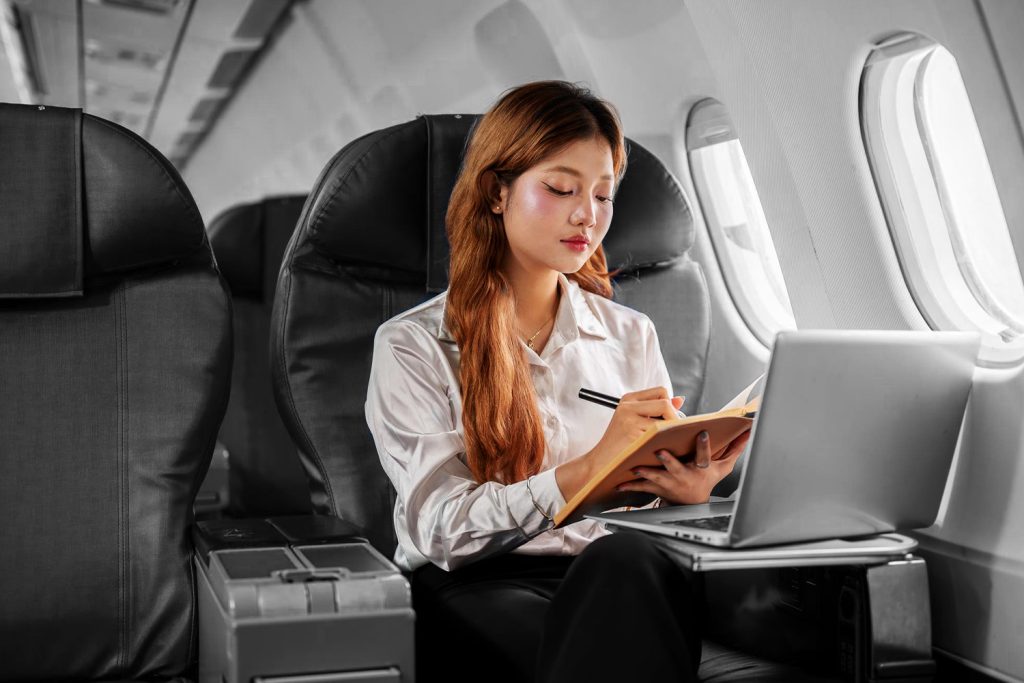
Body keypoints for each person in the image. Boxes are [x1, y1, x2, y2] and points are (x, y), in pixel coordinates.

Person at [365, 80, 751, 683]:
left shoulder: (631, 333)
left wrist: (687, 495)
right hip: (473, 585)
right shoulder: (413, 345)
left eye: (603, 195)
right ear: (497, 193)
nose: (587, 216)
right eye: (561, 189)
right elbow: (441, 529)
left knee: (634, 562)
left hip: (618, 569)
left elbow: (636, 511)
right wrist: (593, 467)